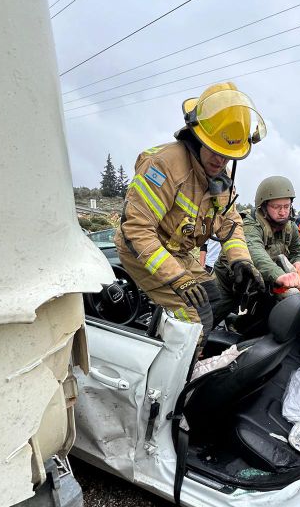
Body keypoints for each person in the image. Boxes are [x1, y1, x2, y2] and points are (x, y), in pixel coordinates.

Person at [114, 81, 265, 346]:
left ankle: (177, 346)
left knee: (212, 297)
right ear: (198, 137)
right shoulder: (164, 165)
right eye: (216, 152)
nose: (221, 162)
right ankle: (172, 379)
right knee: (193, 317)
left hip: (177, 253)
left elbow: (230, 223)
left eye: (228, 156)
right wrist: (178, 278)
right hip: (142, 251)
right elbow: (136, 230)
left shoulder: (220, 177)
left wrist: (242, 261)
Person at [213, 175, 300, 323]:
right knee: (204, 322)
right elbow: (255, 251)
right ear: (263, 206)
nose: (283, 212)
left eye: (286, 206)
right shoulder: (250, 225)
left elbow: (297, 251)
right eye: (276, 207)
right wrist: (280, 275)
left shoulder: (291, 228)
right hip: (227, 284)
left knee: (261, 324)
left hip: (258, 287)